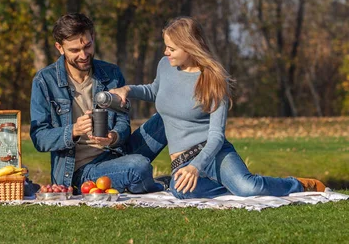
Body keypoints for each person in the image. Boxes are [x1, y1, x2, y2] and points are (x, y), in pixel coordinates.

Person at [109, 16, 326, 199]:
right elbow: (155, 90)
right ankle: (231, 186)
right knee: (180, 191)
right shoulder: (166, 66)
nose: (166, 52)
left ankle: (297, 185)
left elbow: (216, 136)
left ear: (189, 47)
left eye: (171, 48)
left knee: (249, 188)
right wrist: (129, 89)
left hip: (212, 152)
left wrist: (197, 167)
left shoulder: (214, 80)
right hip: (182, 160)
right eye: (166, 46)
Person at [30, 13, 168, 193]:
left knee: (169, 114)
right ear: (60, 48)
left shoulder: (110, 73)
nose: (83, 55)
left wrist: (113, 137)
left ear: (93, 38)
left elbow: (123, 124)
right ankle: (162, 184)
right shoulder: (44, 81)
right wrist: (74, 130)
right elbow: (39, 138)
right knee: (138, 166)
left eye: (87, 46)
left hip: (118, 152)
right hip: (82, 171)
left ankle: (193, 171)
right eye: (74, 50)